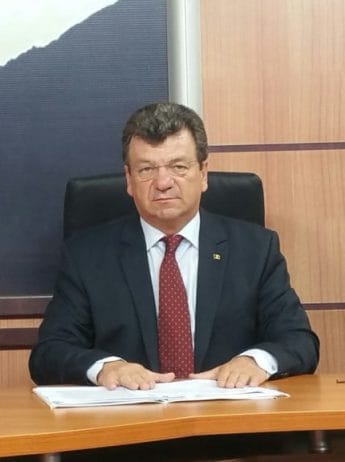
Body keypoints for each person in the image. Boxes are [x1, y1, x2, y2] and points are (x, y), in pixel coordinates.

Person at [29, 102, 319, 390]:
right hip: (129, 414)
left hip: (226, 413)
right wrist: (106, 367)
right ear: (128, 180)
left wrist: (254, 361)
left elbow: (299, 341)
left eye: (178, 167)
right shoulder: (87, 255)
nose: (163, 182)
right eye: (146, 169)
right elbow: (49, 353)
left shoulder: (255, 249)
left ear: (203, 173)